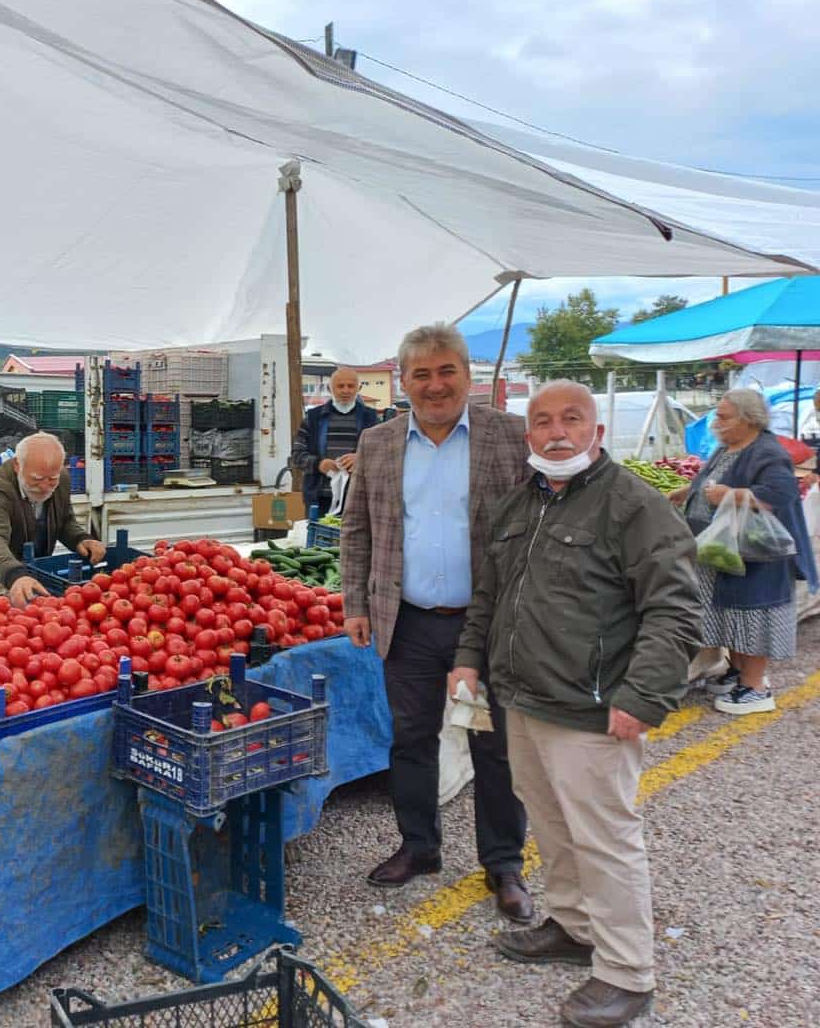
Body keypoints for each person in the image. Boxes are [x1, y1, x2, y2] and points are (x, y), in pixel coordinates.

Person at [454, 380, 702, 1028]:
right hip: (525, 701)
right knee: (552, 826)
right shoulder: (521, 504)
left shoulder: (633, 505)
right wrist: (468, 659)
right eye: (542, 420)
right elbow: (490, 596)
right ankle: (571, 925)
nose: (556, 431)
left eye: (572, 418)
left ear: (597, 431)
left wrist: (643, 694)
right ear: (528, 433)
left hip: (595, 710)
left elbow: (675, 607)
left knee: (606, 840)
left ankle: (627, 973)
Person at [340, 323, 533, 921]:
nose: (435, 384)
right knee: (413, 740)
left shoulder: (509, 436)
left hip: (487, 625)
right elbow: (357, 529)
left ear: (468, 375)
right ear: (403, 382)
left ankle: (503, 864)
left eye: (446, 370)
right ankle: (419, 847)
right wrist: (355, 604)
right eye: (420, 374)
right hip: (412, 624)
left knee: (493, 745)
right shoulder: (379, 443)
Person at [671, 389, 817, 715]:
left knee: (751, 616)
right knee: (730, 615)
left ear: (748, 419)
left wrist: (731, 495)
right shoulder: (730, 446)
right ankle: (736, 673)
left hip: (755, 555)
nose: (715, 422)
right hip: (724, 553)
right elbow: (710, 479)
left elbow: (779, 493)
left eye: (723, 417)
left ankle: (755, 688)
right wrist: (686, 492)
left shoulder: (767, 451)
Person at [0, 432, 105, 605]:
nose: (44, 487)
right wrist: (15, 576)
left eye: (52, 479)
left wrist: (81, 539)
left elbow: (65, 521)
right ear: (17, 466)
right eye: (36, 479)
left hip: (33, 577)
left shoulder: (62, 479)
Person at [290, 367, 380, 514]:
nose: (345, 390)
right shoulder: (313, 418)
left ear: (359, 388)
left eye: (351, 386)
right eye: (340, 386)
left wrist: (361, 459)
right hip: (319, 499)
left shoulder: (371, 419)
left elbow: (384, 455)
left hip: (359, 499)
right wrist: (319, 464)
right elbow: (296, 456)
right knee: (321, 536)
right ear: (329, 388)